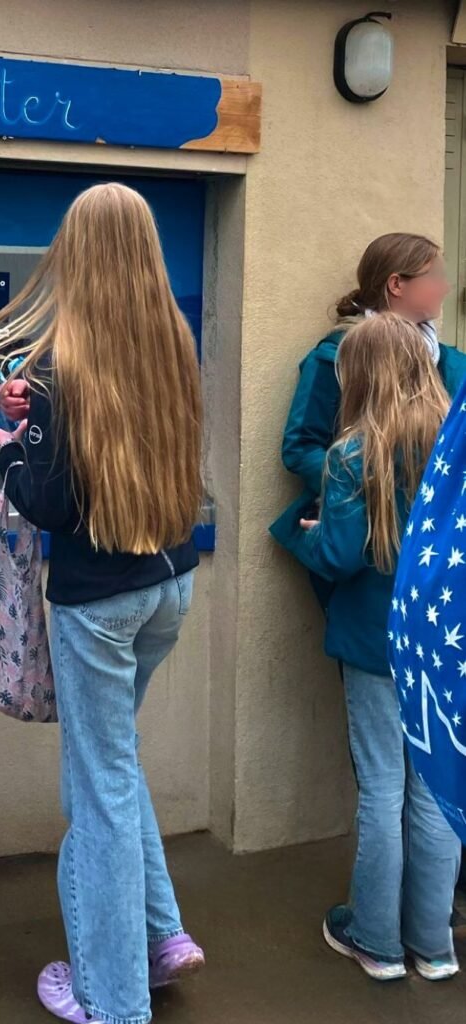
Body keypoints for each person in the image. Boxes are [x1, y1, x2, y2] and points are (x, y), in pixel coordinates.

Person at [0, 182, 205, 1024]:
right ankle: (163, 934)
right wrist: (37, 429)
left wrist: (7, 444)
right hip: (168, 583)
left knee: (94, 795)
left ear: (76, 252)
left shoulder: (63, 361)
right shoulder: (171, 342)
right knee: (115, 768)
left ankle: (110, 997)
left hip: (96, 604)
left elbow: (51, 504)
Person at [273, 313, 461, 982]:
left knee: (381, 788)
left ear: (364, 375)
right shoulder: (455, 448)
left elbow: (340, 556)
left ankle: (376, 943)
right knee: (437, 791)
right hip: (445, 646)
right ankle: (432, 946)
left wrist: (310, 530)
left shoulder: (353, 454)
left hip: (374, 642)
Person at [271, 233, 466, 605]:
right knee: (368, 648)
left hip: (433, 538)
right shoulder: (336, 356)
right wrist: (368, 481)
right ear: (397, 284)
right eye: (436, 275)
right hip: (361, 538)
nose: (447, 286)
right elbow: (300, 447)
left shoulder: (449, 362)